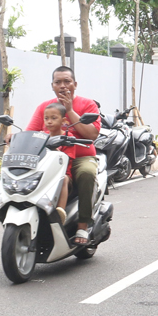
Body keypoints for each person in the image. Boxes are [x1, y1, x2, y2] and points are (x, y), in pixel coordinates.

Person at [27, 67, 100, 245]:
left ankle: (82, 226)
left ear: (75, 84)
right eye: (58, 82)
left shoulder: (88, 104)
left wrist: (70, 110)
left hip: (80, 157)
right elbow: (31, 133)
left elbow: (92, 135)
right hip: (50, 156)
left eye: (67, 81)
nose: (62, 85)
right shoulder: (44, 107)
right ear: (52, 85)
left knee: (87, 174)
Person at [39, 101, 73, 225]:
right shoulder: (42, 138)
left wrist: (55, 149)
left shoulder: (68, 139)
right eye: (46, 118)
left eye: (54, 118)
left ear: (64, 121)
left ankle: (60, 212)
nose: (49, 121)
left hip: (63, 175)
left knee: (63, 179)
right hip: (46, 173)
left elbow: (67, 159)